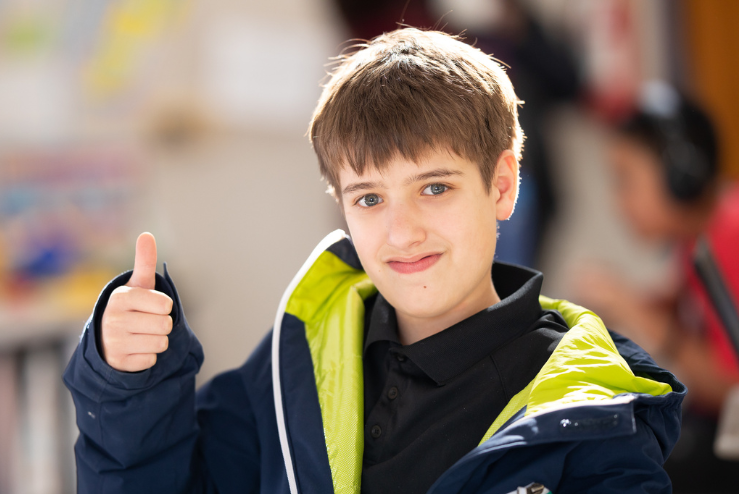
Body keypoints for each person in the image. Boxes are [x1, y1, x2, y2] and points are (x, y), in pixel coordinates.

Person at [63, 29, 684, 493]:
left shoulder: (594, 416)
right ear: (342, 207)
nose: (402, 230)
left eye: (434, 187)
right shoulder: (295, 365)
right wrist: (127, 383)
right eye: (369, 198)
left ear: (501, 186)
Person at [574, 81, 739, 491]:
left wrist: (637, 312)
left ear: (680, 176)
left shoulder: (729, 234)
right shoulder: (700, 236)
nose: (618, 201)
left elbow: (732, 389)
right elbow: (690, 309)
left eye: (626, 179)